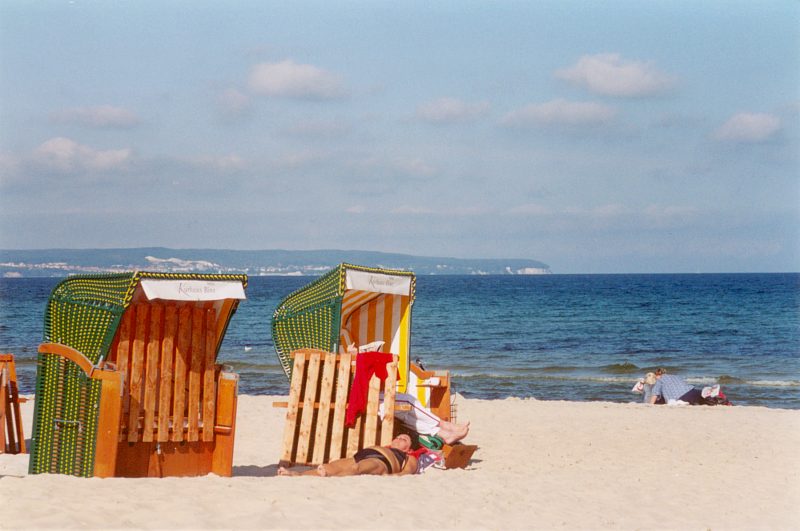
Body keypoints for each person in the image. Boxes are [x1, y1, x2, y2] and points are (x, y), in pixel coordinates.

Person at [345, 343, 470, 444]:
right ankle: (445, 425)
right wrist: (355, 355)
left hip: (370, 398)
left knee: (407, 414)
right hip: (366, 400)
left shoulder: (353, 363)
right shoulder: (349, 363)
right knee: (408, 400)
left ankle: (441, 433)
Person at [278, 434, 419, 477]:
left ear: (408, 449)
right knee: (328, 467)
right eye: (397, 437)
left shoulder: (409, 457)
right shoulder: (386, 446)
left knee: (356, 468)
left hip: (381, 462)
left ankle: (333, 477)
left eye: (404, 439)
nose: (398, 439)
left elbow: (407, 472)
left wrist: (392, 476)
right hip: (362, 455)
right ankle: (297, 474)